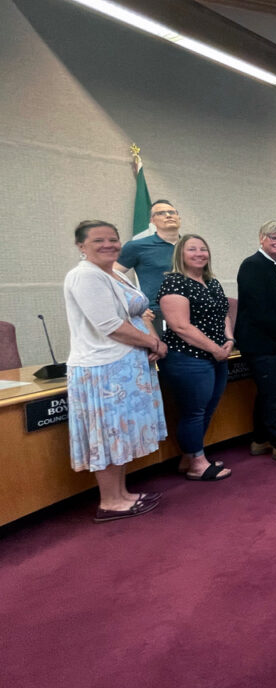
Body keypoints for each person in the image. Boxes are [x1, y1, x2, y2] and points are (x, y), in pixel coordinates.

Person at [64, 220, 167, 522]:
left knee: (121, 436)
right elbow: (109, 325)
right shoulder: (84, 275)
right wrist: (153, 342)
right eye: (98, 240)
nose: (108, 245)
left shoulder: (116, 274)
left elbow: (139, 314)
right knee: (109, 436)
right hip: (103, 371)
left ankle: (122, 494)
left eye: (113, 239)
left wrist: (148, 343)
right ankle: (110, 501)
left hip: (126, 365)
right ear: (81, 246)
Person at [157, 234, 233, 481]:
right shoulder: (174, 283)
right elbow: (180, 326)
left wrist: (229, 339)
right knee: (194, 412)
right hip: (188, 358)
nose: (199, 253)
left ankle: (189, 457)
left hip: (217, 356)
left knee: (207, 409)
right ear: (180, 253)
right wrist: (214, 348)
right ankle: (197, 464)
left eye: (203, 249)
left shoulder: (212, 282)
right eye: (192, 249)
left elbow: (224, 314)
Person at [235, 220, 276, 466]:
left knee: (269, 393)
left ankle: (259, 439)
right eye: (274, 238)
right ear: (261, 238)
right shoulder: (251, 265)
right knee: (272, 394)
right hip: (259, 342)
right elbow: (257, 307)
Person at [115, 198, 180, 327]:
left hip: (195, 310)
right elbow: (111, 275)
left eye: (172, 212)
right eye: (161, 213)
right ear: (152, 221)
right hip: (157, 313)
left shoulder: (192, 246)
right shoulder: (137, 246)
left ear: (179, 217)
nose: (168, 215)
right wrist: (132, 303)